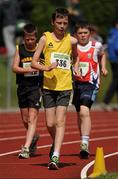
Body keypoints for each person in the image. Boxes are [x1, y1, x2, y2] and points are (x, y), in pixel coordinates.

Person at [32, 8, 79, 169]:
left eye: (65, 23)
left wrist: (76, 67)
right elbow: (34, 62)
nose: (62, 26)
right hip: (48, 86)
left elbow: (76, 56)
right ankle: (55, 142)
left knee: (60, 121)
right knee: (50, 123)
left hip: (65, 86)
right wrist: (45, 68)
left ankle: (55, 156)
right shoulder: (45, 38)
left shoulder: (72, 40)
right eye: (59, 23)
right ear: (53, 22)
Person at [12, 23, 57, 159]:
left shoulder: (40, 50)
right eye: (27, 39)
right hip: (22, 87)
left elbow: (47, 65)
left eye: (32, 39)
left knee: (32, 119)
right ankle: (34, 136)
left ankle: (26, 147)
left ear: (36, 38)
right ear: (24, 38)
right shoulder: (19, 49)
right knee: (25, 119)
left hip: (36, 88)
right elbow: (14, 68)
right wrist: (30, 69)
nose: (30, 42)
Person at [72, 23, 108, 159]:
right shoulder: (72, 46)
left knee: (84, 111)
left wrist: (103, 67)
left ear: (90, 33)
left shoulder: (96, 46)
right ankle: (83, 140)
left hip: (90, 84)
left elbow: (102, 54)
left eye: (85, 33)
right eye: (80, 33)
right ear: (76, 35)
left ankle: (85, 143)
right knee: (78, 114)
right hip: (76, 84)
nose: (82, 35)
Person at [103, 21, 118, 111]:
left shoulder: (111, 32)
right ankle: (106, 101)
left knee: (116, 80)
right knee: (115, 81)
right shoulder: (116, 33)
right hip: (117, 59)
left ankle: (106, 101)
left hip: (112, 59)